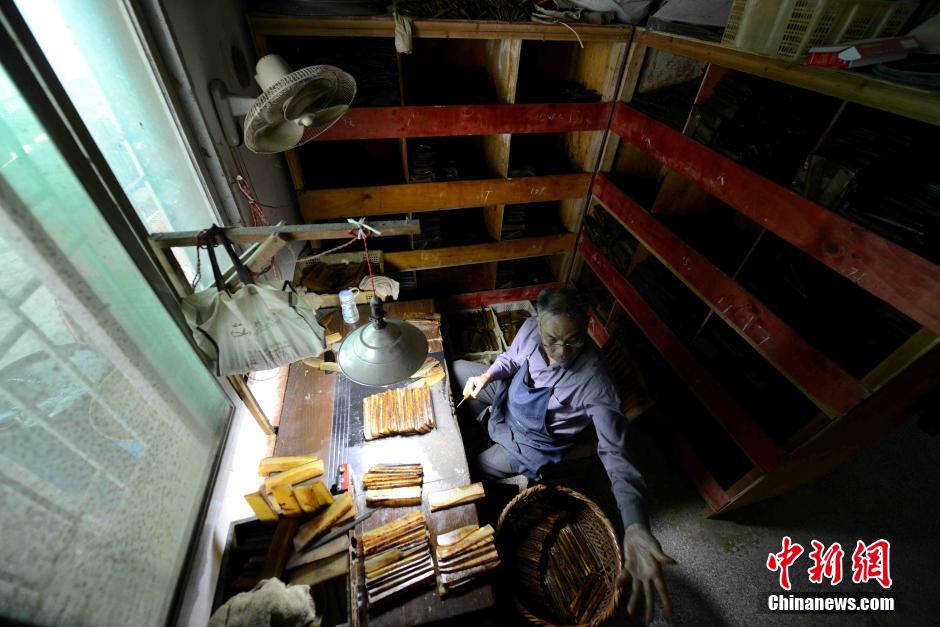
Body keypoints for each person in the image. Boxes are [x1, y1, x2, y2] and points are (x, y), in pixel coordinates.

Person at [452, 287, 674, 623]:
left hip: (535, 442)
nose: (560, 351)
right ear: (539, 322)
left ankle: (488, 444)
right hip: (511, 398)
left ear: (585, 327)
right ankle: (482, 415)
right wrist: (485, 376)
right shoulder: (529, 328)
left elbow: (615, 454)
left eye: (573, 341)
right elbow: (511, 360)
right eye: (552, 338)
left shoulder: (596, 383)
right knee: (456, 370)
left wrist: (635, 524)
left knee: (474, 467)